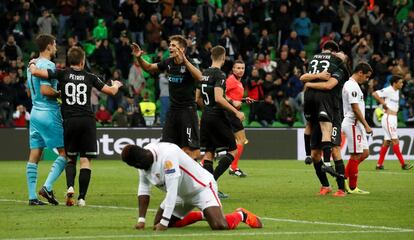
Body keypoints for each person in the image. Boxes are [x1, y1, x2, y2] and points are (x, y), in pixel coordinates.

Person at [29, 46, 123, 206]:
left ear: (69, 60)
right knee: (85, 160)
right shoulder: (90, 76)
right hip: (87, 120)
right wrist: (116, 85)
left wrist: (32, 63)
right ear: (83, 60)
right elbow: (111, 92)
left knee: (70, 158)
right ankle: (81, 198)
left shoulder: (62, 73)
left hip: (69, 121)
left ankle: (70, 187)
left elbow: (37, 73)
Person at [120, 143, 263, 231]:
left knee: (220, 226)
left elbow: (172, 190)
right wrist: (141, 220)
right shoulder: (140, 161)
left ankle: (241, 215)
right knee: (157, 222)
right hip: (181, 194)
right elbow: (144, 189)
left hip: (202, 188)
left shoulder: (167, 156)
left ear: (139, 161)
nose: (139, 169)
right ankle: (204, 214)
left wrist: (164, 223)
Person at [131, 35, 202, 160]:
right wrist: (139, 58)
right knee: (166, 147)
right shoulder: (168, 62)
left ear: (182, 49)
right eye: (170, 45)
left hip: (188, 111)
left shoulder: (190, 63)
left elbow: (200, 77)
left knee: (190, 150)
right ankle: (171, 177)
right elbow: (149, 68)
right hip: (173, 111)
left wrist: (185, 61)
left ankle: (196, 174)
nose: (170, 47)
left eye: (173, 45)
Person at [300, 42, 348, 196]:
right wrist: (314, 78)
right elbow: (304, 76)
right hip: (318, 108)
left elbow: (329, 85)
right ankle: (325, 185)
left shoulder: (340, 70)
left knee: (335, 150)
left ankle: (341, 188)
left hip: (333, 112)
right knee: (315, 154)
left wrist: (310, 84)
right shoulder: (322, 65)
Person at [25, 34, 66, 206]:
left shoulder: (31, 65)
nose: (56, 48)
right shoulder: (48, 65)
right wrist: (59, 94)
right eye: (55, 45)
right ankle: (47, 187)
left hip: (34, 112)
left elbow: (31, 91)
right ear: (49, 46)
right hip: (48, 112)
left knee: (35, 154)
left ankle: (32, 196)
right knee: (66, 153)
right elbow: (45, 90)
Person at [199, 46, 245, 195]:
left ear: (211, 56)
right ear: (223, 58)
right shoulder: (220, 75)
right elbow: (219, 98)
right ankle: (212, 181)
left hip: (206, 115)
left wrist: (207, 108)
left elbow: (197, 98)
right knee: (233, 149)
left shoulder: (204, 73)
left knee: (209, 153)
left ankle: (207, 188)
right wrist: (236, 112)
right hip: (217, 117)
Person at [341, 62, 373, 194]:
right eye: (366, 76)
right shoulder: (351, 86)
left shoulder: (355, 86)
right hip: (353, 123)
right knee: (355, 155)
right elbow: (355, 108)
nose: (367, 79)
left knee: (364, 153)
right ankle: (352, 187)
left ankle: (343, 178)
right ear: (360, 72)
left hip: (357, 124)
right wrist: (366, 125)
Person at [373, 76, 413, 170]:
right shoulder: (388, 90)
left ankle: (379, 165)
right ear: (394, 83)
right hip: (388, 118)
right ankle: (403, 164)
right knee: (395, 140)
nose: (402, 84)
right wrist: (383, 103)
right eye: (400, 82)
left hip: (393, 118)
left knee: (387, 142)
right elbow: (375, 94)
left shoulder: (396, 91)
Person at [225, 60, 252, 177]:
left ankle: (204, 162)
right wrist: (232, 101)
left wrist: (244, 99)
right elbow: (220, 94)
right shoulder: (231, 80)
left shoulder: (239, 82)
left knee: (236, 140)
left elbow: (234, 97)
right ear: (233, 69)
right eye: (238, 68)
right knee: (241, 139)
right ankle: (233, 168)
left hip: (232, 112)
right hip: (230, 113)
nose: (241, 70)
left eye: (242, 68)